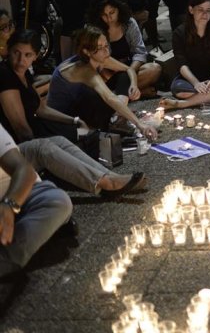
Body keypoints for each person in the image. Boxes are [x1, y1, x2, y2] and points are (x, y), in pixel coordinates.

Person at [0, 30, 146, 196]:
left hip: (34, 130)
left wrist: (73, 120)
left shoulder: (23, 72)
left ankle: (110, 176)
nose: (21, 60)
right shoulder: (5, 74)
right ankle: (105, 183)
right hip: (11, 148)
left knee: (62, 140)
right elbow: (21, 128)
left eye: (27, 55)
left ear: (35, 56)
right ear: (8, 51)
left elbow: (40, 108)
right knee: (47, 146)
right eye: (16, 53)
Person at [47, 26, 158, 138]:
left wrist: (134, 85)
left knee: (123, 76)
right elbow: (109, 97)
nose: (106, 50)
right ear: (87, 51)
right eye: (100, 47)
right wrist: (139, 124)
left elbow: (128, 69)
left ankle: (117, 116)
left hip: (80, 104)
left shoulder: (99, 57)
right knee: (99, 97)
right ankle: (109, 123)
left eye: (106, 45)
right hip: (64, 118)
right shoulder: (84, 69)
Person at [0, 123, 73, 280]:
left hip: (14, 195)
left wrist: (9, 205)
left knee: (57, 201)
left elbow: (24, 171)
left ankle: (9, 258)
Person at [159, 0, 210, 111]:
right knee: (179, 89)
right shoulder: (180, 33)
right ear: (191, 10)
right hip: (188, 79)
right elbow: (181, 64)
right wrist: (196, 83)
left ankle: (182, 104)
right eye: (200, 10)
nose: (205, 14)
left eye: (208, 10)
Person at [86, 0, 161, 98]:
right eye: (104, 15)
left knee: (154, 69)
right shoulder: (94, 30)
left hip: (128, 68)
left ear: (118, 9)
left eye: (112, 12)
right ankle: (133, 93)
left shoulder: (129, 23)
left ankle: (117, 95)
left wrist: (130, 71)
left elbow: (140, 52)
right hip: (106, 72)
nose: (109, 18)